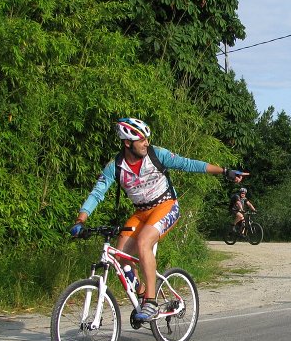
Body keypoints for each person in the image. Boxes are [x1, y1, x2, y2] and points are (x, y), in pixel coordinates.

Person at [71, 118, 245, 320]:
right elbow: (97, 193)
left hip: (166, 205)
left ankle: (151, 303)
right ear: (128, 143)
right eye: (141, 140)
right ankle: (144, 292)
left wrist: (225, 171)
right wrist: (80, 220)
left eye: (147, 139)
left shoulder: (156, 154)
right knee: (120, 257)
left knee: (144, 242)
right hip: (141, 213)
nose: (146, 143)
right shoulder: (115, 167)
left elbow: (188, 164)